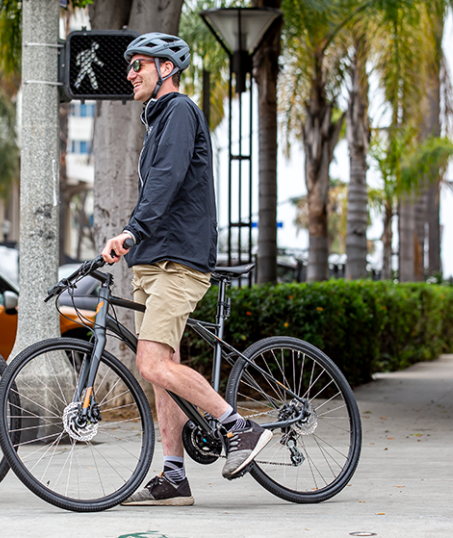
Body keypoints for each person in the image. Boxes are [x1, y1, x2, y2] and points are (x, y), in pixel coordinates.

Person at [100, 33, 272, 507]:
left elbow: (167, 181)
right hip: (154, 264)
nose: (131, 73)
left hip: (178, 262)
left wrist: (132, 230)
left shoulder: (178, 110)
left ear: (166, 68)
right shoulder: (157, 120)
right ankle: (173, 476)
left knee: (151, 362)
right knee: (162, 373)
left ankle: (240, 427)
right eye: (130, 66)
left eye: (139, 65)